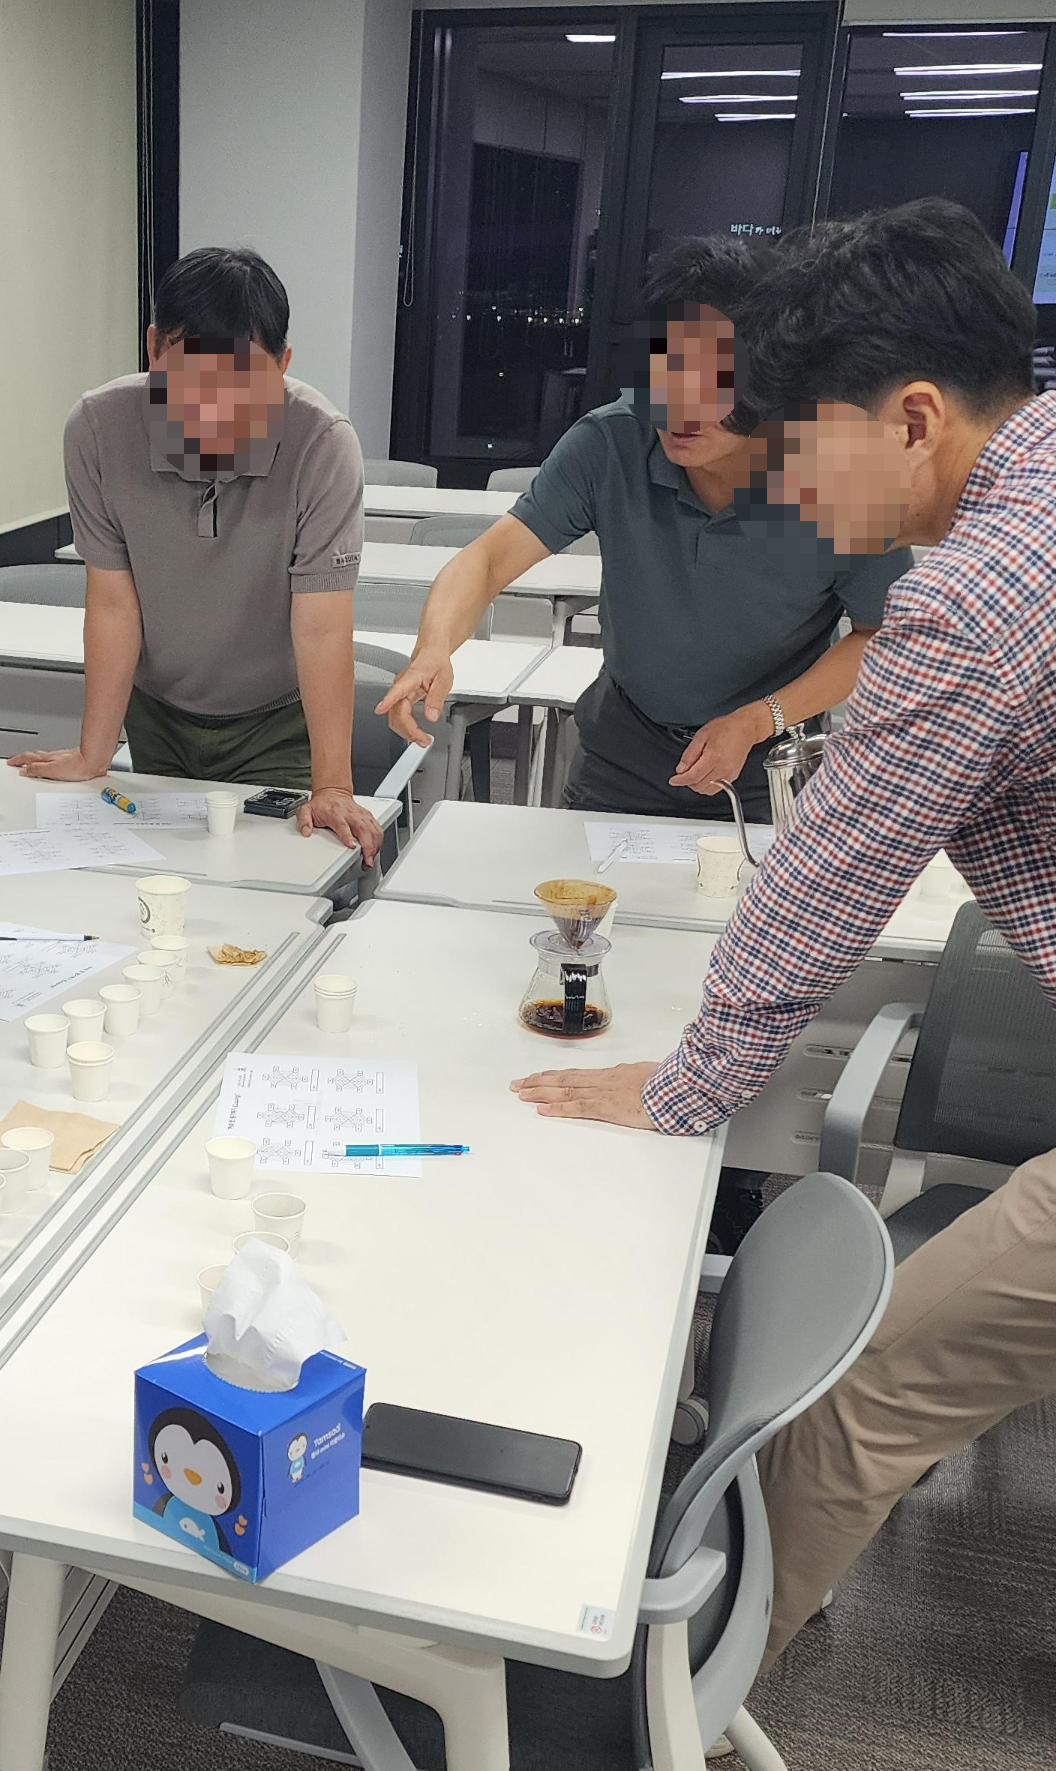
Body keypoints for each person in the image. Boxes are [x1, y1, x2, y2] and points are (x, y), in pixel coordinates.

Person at [510, 198, 1056, 1671]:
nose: (793, 490)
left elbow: (830, 870)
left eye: (805, 444)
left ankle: (678, 1692)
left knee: (862, 1387)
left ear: (917, 417)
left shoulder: (979, 594)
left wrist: (682, 1085)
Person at [380, 238, 911, 819]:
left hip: (770, 764)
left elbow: (881, 634)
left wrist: (760, 719)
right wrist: (432, 649)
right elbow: (486, 560)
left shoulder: (843, 475)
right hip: (624, 752)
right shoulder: (611, 443)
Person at [9, 245, 384, 863]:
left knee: (278, 875)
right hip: (158, 712)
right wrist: (93, 754)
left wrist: (333, 788)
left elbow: (320, 624)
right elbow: (113, 601)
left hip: (276, 718)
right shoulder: (99, 429)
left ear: (282, 366)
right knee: (161, 873)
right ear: (154, 350)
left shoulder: (322, 443)